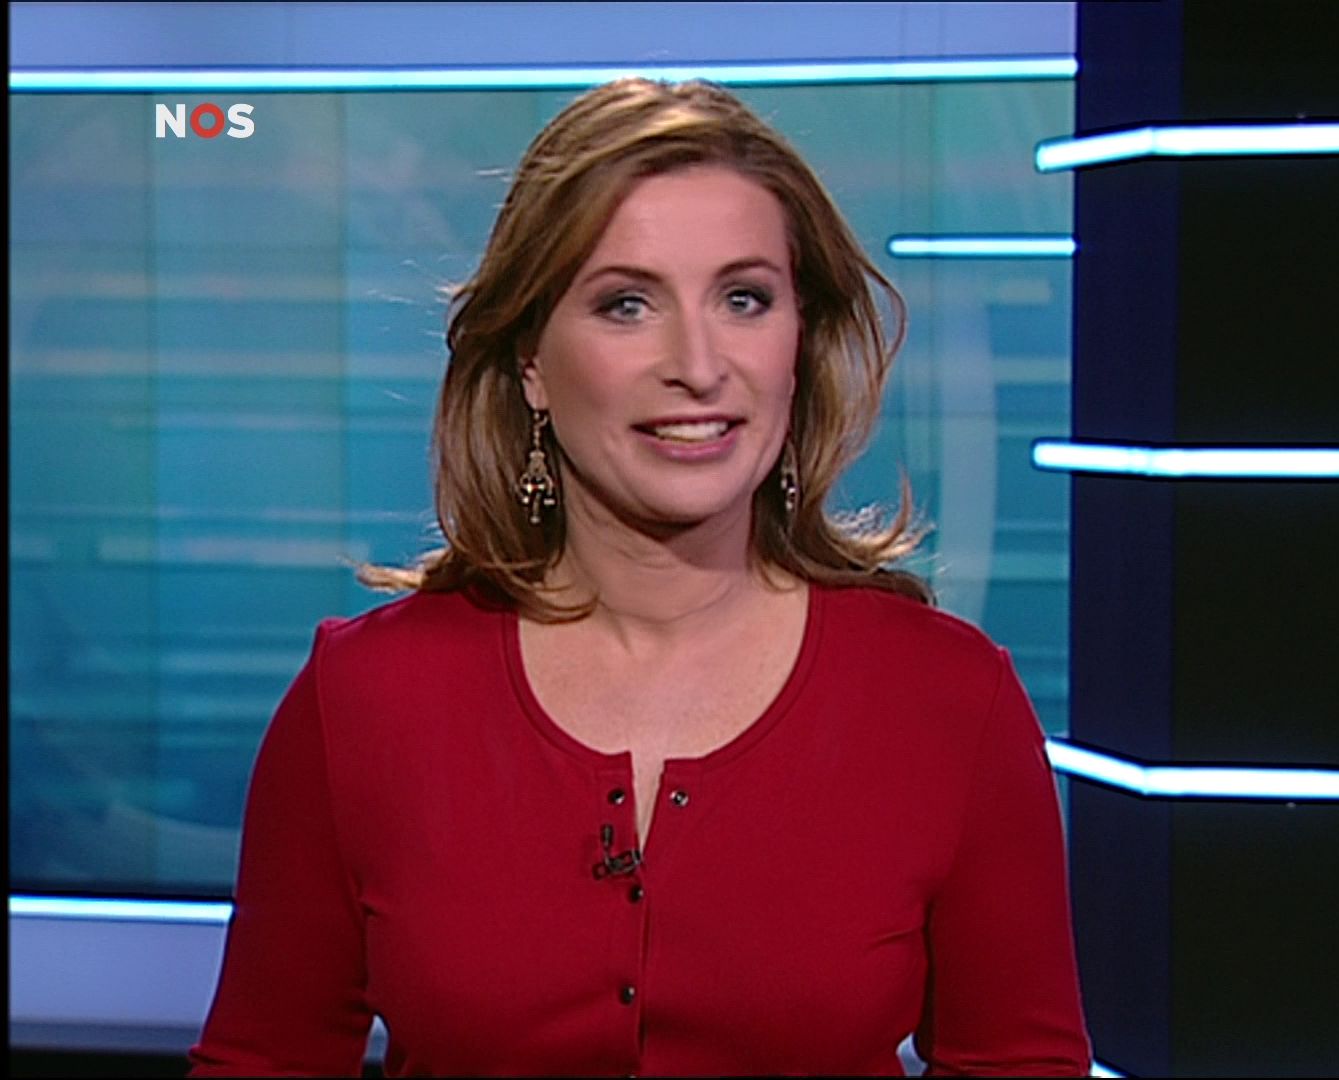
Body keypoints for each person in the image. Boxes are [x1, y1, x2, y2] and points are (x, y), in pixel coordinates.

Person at [187, 77, 1090, 1077]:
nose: (698, 365)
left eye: (744, 299)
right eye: (627, 304)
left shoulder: (946, 702)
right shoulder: (366, 701)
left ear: (799, 341)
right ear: (531, 357)